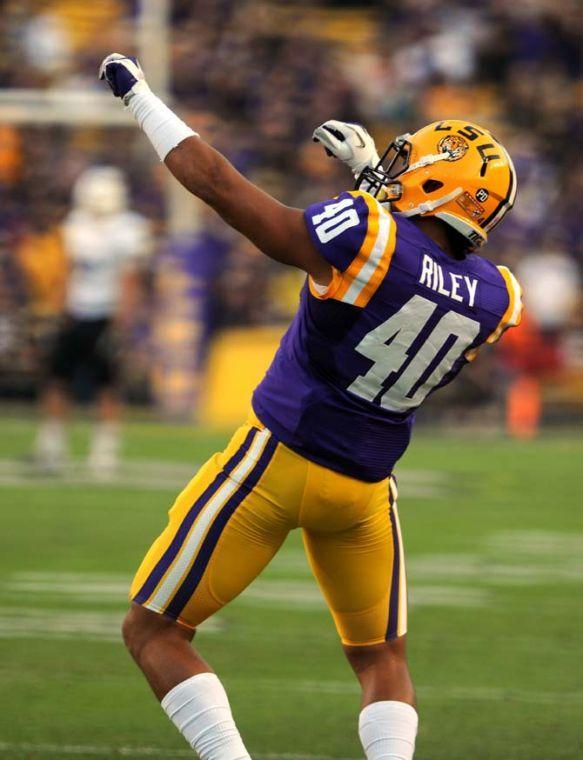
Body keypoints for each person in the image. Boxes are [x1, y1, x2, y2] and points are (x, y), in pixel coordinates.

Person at [100, 54, 523, 760]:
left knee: (153, 631)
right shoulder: (497, 298)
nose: (391, 171)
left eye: (407, 164)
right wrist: (370, 185)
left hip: (274, 462)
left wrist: (140, 99)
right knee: (381, 662)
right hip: (363, 495)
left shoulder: (367, 232)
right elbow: (423, 271)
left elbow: (223, 189)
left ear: (436, 181)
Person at [34, 166, 150, 477]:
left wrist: (121, 320)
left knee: (107, 385)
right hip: (76, 311)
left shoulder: (129, 228)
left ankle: (104, 451)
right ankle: (53, 444)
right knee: (59, 378)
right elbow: (68, 271)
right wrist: (59, 309)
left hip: (105, 314)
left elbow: (130, 279)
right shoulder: (76, 224)